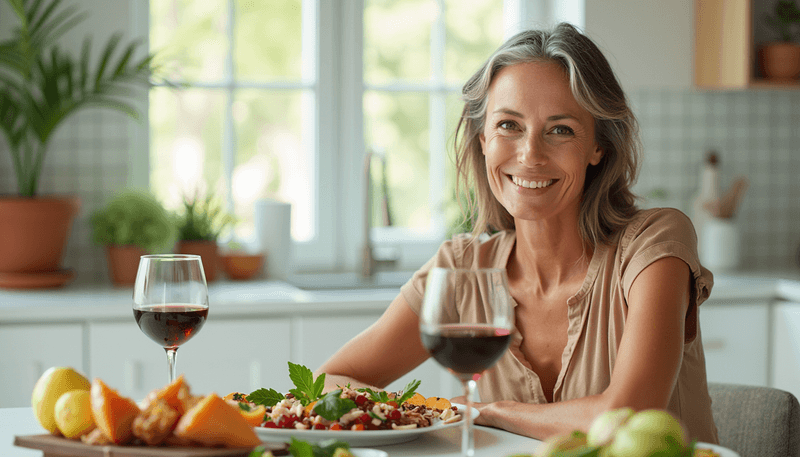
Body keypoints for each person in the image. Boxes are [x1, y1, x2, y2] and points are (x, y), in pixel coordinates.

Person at [317, 22, 718, 443]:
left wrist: (489, 411)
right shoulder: (462, 268)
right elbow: (330, 382)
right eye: (509, 125)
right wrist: (424, 417)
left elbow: (625, 415)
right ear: (483, 138)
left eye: (560, 129)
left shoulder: (654, 244)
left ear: (598, 146)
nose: (530, 154)